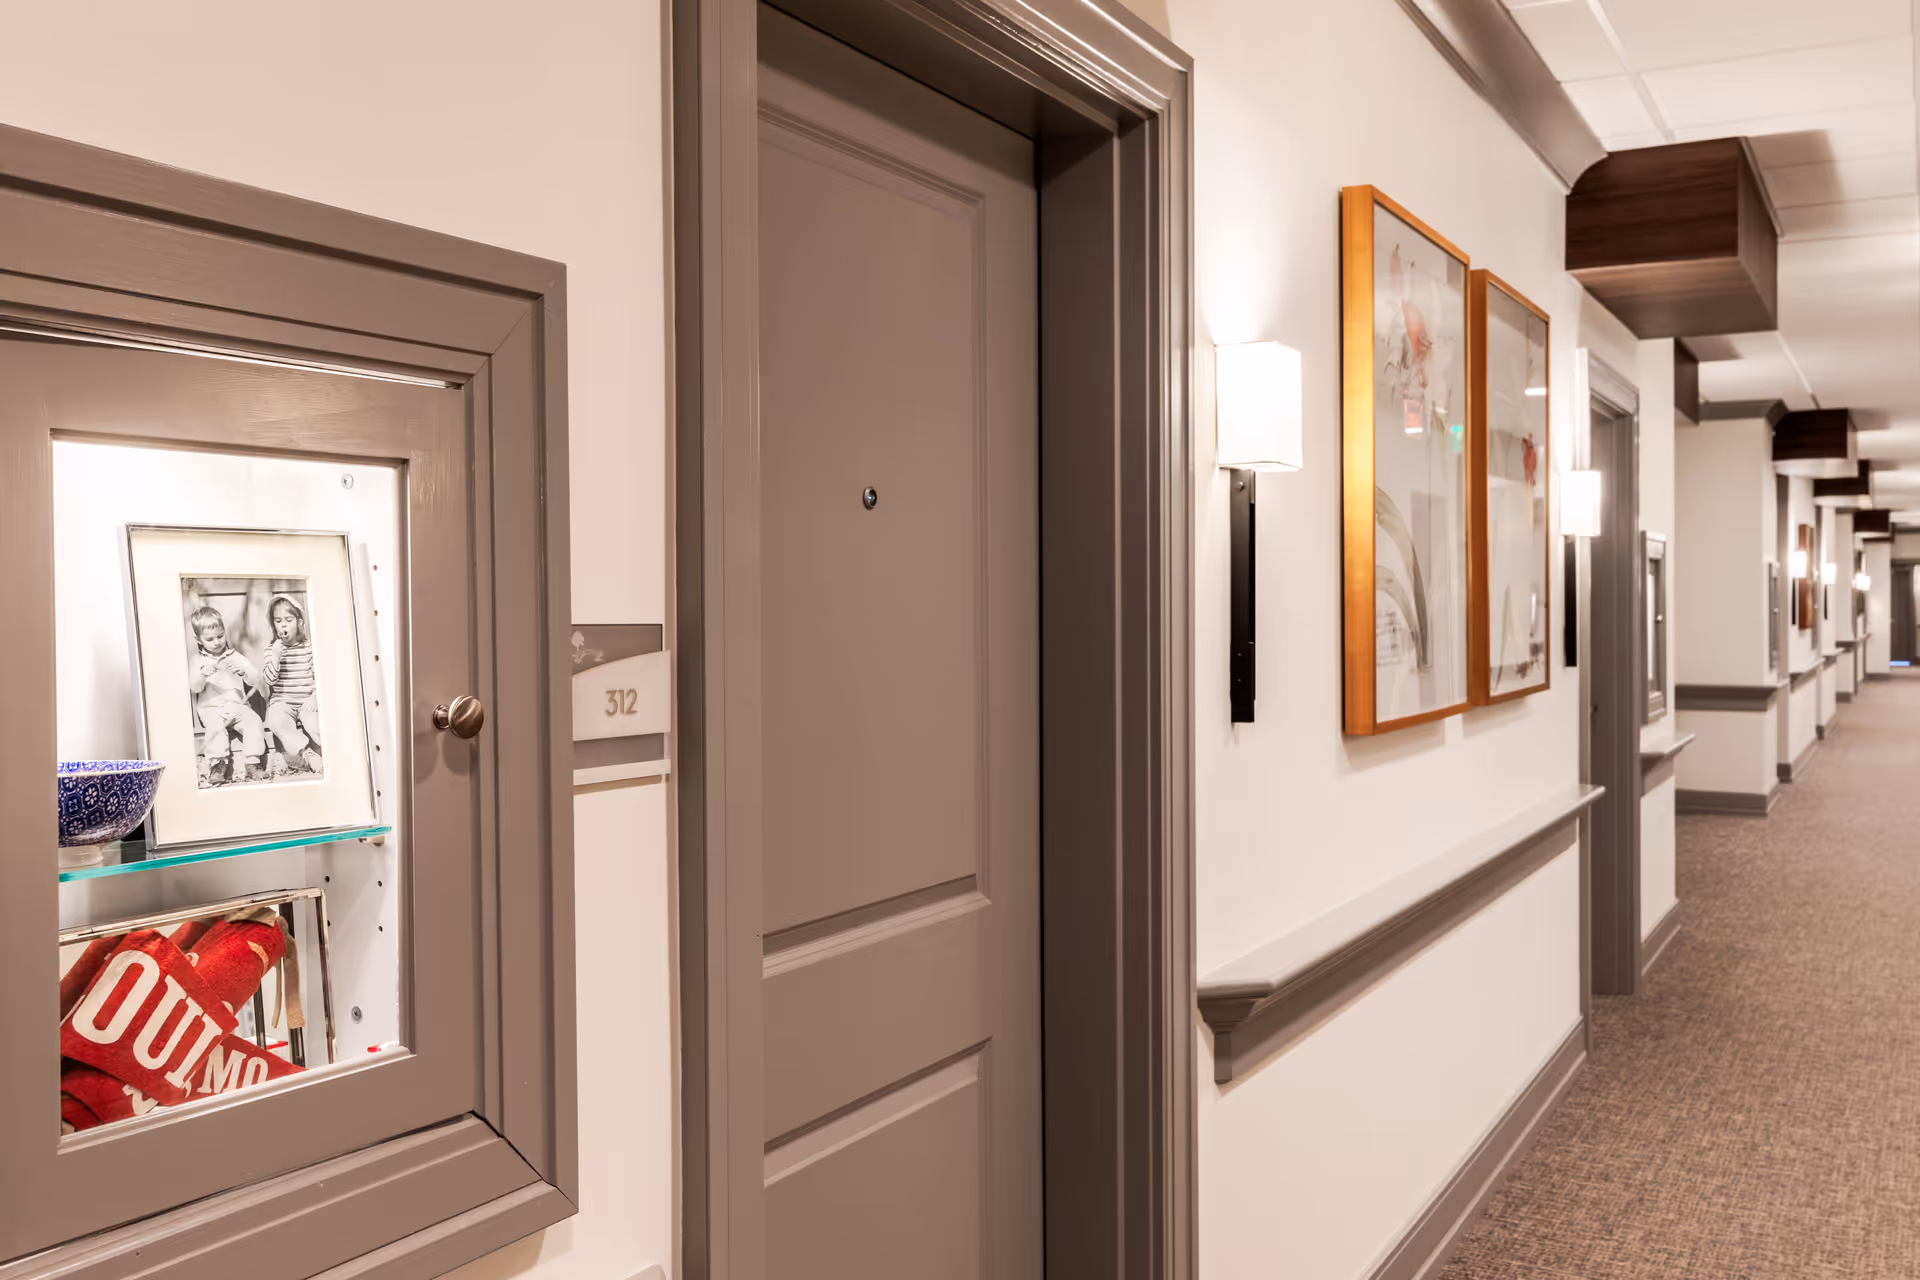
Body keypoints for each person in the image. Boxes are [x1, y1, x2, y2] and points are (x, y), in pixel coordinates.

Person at [188, 607, 267, 785]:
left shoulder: (235, 656)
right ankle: (218, 765)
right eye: (209, 639)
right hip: (213, 709)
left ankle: (253, 762)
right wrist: (202, 674)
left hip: (238, 707)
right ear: (198, 639)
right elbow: (195, 687)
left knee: (253, 721)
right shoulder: (198, 661)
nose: (216, 642)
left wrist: (244, 673)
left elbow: (255, 678)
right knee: (215, 728)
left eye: (220, 636)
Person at [261, 594, 322, 776]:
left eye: (288, 619)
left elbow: (322, 676)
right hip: (283, 701)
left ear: (299, 622)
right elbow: (269, 680)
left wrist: (315, 697)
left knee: (314, 724)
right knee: (276, 720)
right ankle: (308, 754)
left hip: (307, 701)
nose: (283, 625)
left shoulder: (310, 648)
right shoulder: (272, 650)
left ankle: (336, 752)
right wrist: (276, 656)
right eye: (278, 621)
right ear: (274, 625)